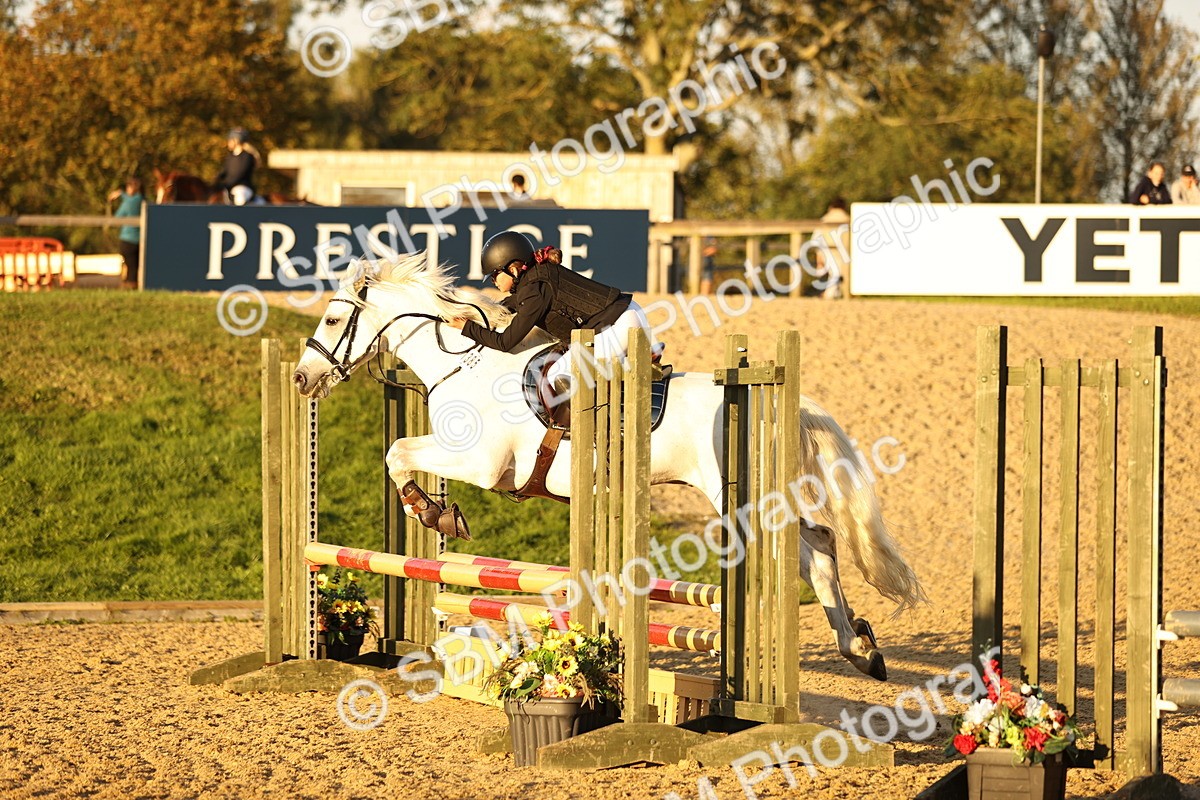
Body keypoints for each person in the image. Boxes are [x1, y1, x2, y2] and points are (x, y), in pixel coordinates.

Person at [447, 230, 663, 420]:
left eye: (495, 274)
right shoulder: (535, 278)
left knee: (557, 374)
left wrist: (466, 328)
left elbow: (505, 342)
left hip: (619, 326)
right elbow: (510, 304)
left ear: (513, 269)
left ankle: (599, 430)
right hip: (629, 313)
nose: (493, 281)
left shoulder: (534, 292)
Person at [107, 176, 143, 289]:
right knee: (134, 266)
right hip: (141, 240)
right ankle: (132, 286)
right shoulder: (143, 200)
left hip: (128, 240)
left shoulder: (129, 203)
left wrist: (119, 195)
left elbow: (117, 218)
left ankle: (131, 287)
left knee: (131, 267)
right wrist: (122, 194)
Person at [213, 127, 261, 205]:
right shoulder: (230, 156)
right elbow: (224, 171)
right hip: (228, 187)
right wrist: (217, 180)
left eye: (230, 140)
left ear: (236, 140)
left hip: (242, 187)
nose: (228, 142)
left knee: (240, 199)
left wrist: (226, 183)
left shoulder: (247, 156)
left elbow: (239, 174)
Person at [816, 196, 852, 299]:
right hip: (845, 252)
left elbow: (817, 238)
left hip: (827, 250)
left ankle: (830, 294)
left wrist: (819, 257)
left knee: (835, 273)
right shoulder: (848, 219)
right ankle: (833, 294)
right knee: (839, 273)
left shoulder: (825, 219)